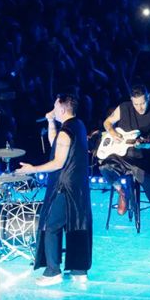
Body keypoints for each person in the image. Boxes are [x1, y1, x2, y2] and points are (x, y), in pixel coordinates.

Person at [18, 94, 92, 285]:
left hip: (64, 186)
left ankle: (53, 271)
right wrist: (51, 121)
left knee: (51, 226)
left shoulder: (66, 133)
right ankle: (78, 270)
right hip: (78, 186)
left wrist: (32, 169)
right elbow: (55, 145)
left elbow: (57, 162)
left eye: (54, 106)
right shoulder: (78, 125)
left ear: (61, 107)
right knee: (77, 224)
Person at [101, 85, 150, 236]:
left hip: (143, 157)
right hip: (120, 155)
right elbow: (107, 123)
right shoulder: (124, 108)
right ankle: (121, 190)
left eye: (142, 103)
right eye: (136, 104)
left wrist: (146, 144)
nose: (139, 107)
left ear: (148, 99)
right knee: (104, 167)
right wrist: (113, 133)